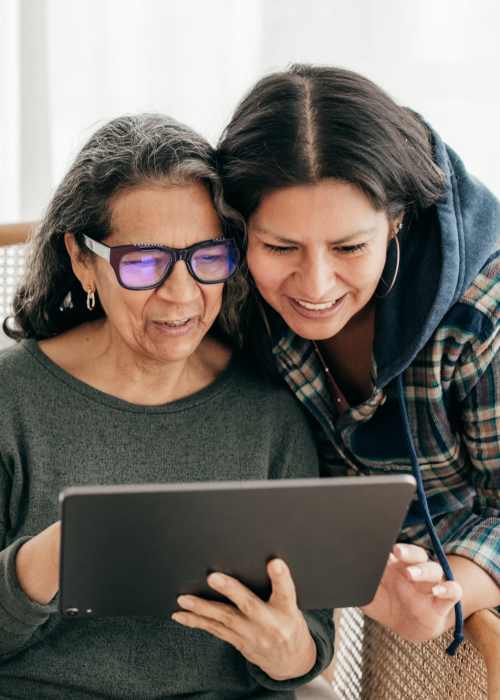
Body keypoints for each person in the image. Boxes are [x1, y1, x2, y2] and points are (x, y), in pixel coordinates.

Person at [0, 113, 336, 699]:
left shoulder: (270, 411)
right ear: (83, 260)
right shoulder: (13, 399)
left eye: (207, 256)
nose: (181, 294)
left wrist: (288, 652)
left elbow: (310, 639)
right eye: (144, 263)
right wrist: (48, 560)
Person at [217, 64, 500, 654]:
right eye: (279, 247)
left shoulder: (482, 317)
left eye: (349, 247)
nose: (315, 285)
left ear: (396, 221)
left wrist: (451, 590)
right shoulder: (224, 286)